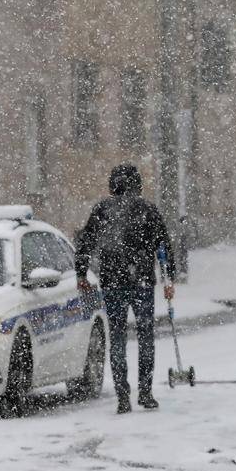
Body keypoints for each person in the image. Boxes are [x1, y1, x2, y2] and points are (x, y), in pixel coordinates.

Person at [74, 164, 177, 413]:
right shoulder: (148, 210)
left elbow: (86, 242)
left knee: (117, 338)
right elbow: (163, 245)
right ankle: (145, 392)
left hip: (112, 283)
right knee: (145, 338)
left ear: (113, 185)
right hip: (141, 281)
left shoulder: (102, 209)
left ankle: (122, 395)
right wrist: (169, 279)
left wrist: (81, 273)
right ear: (137, 184)